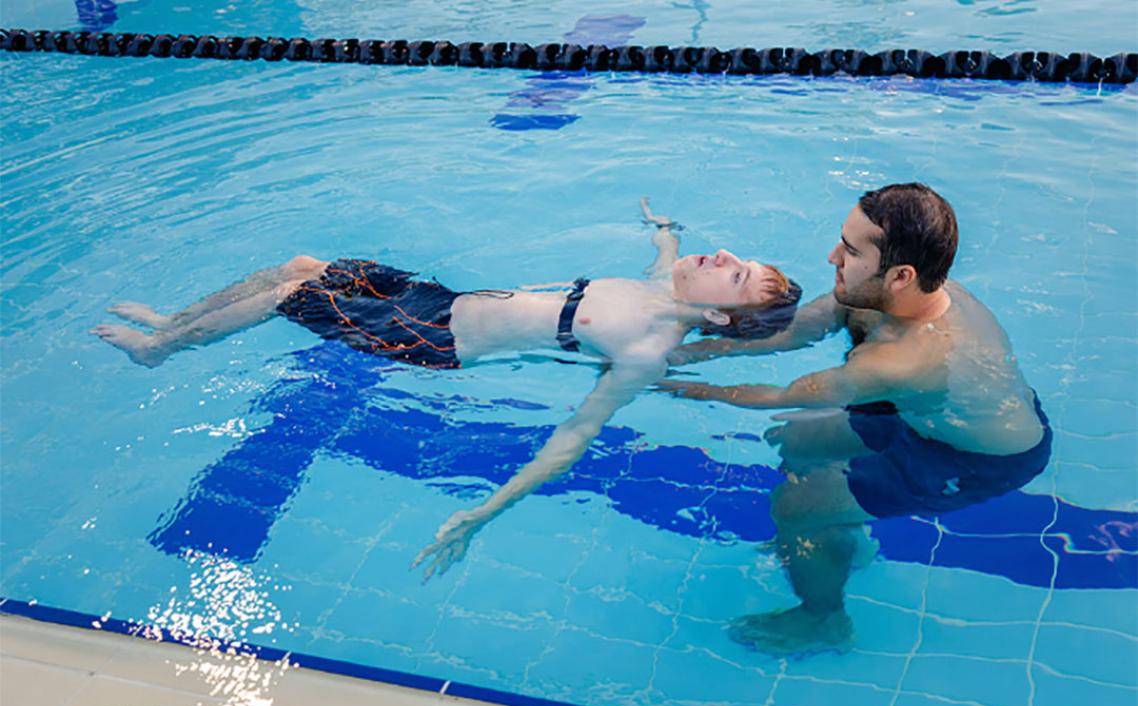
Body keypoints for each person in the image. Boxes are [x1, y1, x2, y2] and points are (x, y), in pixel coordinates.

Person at [93, 199, 801, 580]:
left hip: (432, 341)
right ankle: (178, 320)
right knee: (304, 264)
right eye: (739, 259)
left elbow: (574, 438)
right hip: (440, 298)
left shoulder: (644, 351)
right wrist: (666, 232)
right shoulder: (660, 289)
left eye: (735, 274)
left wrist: (481, 515)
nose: (726, 256)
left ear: (717, 315)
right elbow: (667, 259)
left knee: (288, 291)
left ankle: (158, 352)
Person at [660, 183, 1051, 654]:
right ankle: (841, 533)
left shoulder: (901, 361)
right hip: (916, 410)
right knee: (797, 442)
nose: (832, 258)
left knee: (795, 508)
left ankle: (823, 620)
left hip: (968, 456)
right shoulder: (879, 292)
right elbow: (795, 331)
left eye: (849, 251)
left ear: (901, 275)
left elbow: (776, 395)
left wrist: (662, 383)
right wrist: (685, 352)